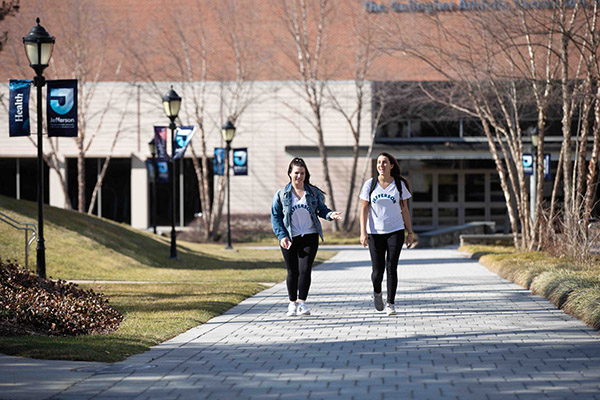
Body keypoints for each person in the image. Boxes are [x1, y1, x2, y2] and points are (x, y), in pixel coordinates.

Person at [271, 157, 342, 317]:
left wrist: (330, 215)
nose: (299, 176)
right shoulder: (282, 194)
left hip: (309, 236)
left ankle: (302, 303)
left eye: (302, 173)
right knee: (292, 271)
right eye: (296, 173)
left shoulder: (313, 192)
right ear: (290, 173)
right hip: (289, 237)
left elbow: (322, 210)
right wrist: (282, 235)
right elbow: (275, 216)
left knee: (305, 270)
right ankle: (292, 303)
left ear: (305, 174)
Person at [359, 152, 414, 316]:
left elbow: (405, 210)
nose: (381, 165)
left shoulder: (399, 184)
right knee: (377, 271)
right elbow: (363, 209)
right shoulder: (370, 184)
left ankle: (391, 303)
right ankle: (377, 292)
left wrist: (410, 232)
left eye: (384, 162)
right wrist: (362, 232)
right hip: (374, 233)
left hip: (395, 231)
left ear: (391, 165)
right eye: (379, 162)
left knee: (391, 267)